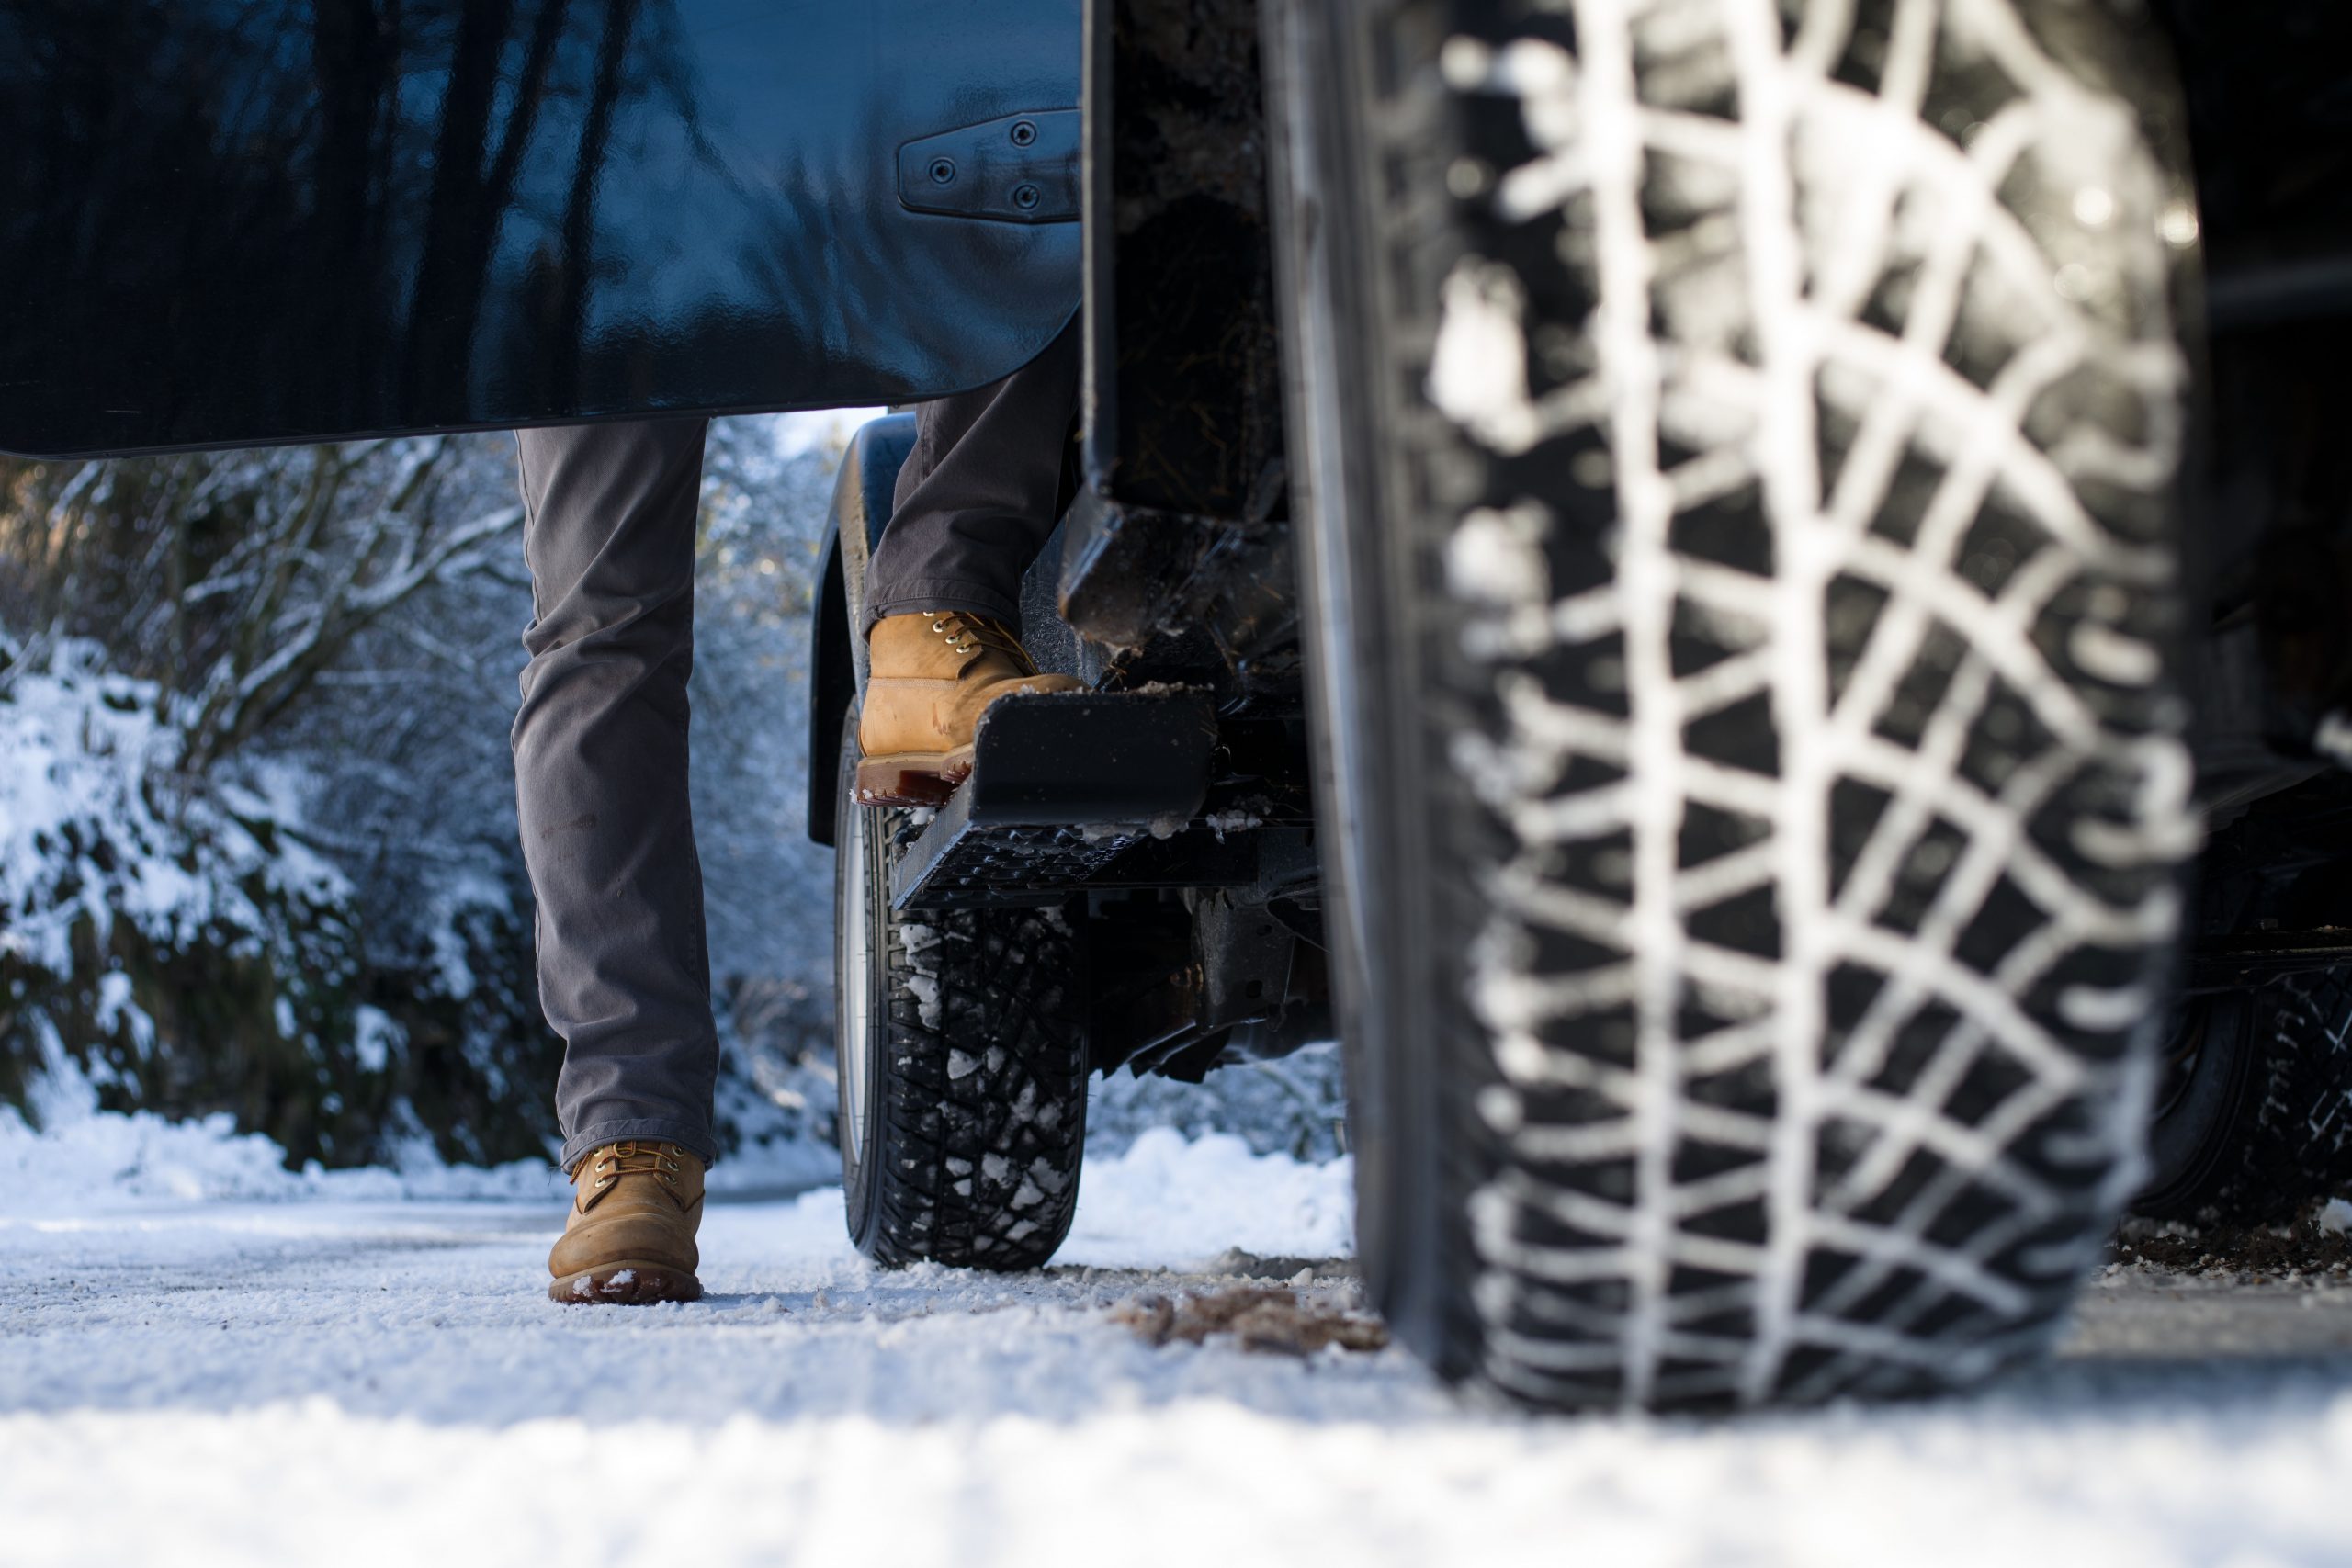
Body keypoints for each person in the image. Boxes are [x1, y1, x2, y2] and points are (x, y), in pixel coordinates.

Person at [517, 323, 1081, 1304]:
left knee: (1035, 203)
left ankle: (935, 612)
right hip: (607, 199)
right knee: (599, 625)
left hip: (870, 169)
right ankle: (631, 1143)